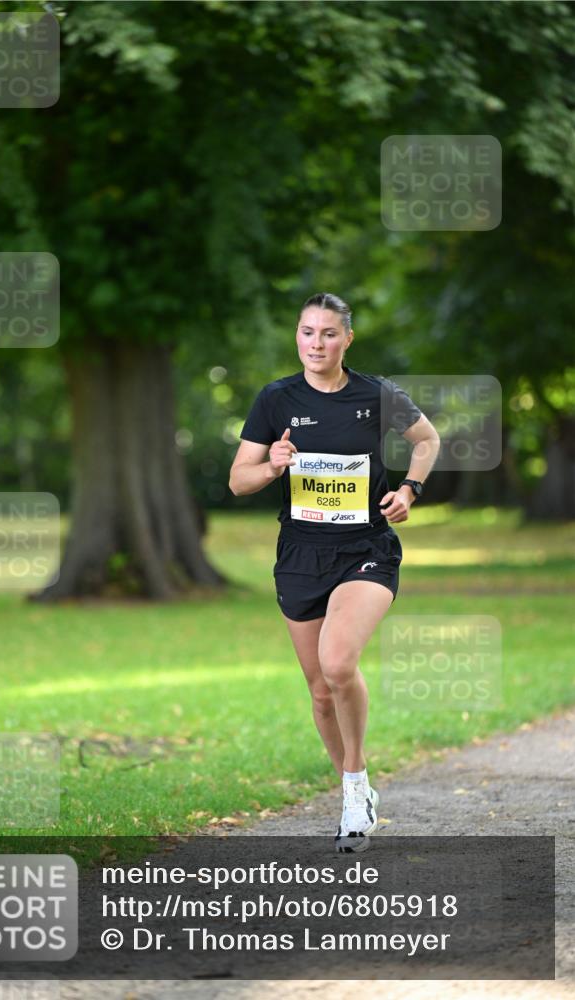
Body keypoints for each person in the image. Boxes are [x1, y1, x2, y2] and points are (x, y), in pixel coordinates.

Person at [228, 292, 441, 852]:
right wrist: (271, 464)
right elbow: (237, 481)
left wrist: (410, 489)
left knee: (338, 662)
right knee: (321, 692)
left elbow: (427, 440)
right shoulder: (276, 400)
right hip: (300, 555)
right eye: (306, 332)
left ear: (347, 339)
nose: (315, 344)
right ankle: (357, 783)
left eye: (327, 333)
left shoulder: (376, 394)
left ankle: (351, 795)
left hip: (365, 548)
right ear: (296, 337)